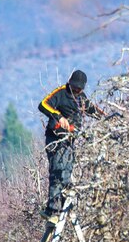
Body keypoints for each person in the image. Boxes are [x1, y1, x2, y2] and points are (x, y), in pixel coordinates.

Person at [38, 70, 104, 224]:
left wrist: (106, 119)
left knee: (66, 172)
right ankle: (52, 211)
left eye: (79, 89)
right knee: (58, 171)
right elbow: (42, 105)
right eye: (74, 88)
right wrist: (59, 116)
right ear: (70, 83)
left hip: (70, 141)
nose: (76, 91)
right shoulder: (60, 93)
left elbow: (92, 110)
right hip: (55, 138)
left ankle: (64, 207)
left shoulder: (82, 98)